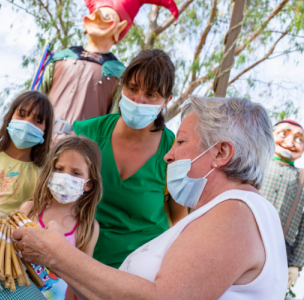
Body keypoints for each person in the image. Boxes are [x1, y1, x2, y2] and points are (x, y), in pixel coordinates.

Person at [14, 96, 288, 299]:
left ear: (220, 153)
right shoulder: (228, 213)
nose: (169, 155)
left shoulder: (235, 215)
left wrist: (60, 257)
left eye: (180, 142)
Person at [73, 49, 187, 269]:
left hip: (140, 271)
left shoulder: (173, 151)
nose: (138, 100)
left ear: (166, 101)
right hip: (79, 263)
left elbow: (178, 218)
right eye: (132, 88)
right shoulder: (87, 135)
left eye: (151, 94)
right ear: (122, 86)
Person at [40, 0, 177, 143]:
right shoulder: (60, 58)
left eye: (106, 15)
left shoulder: (120, 75)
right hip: (40, 145)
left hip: (80, 150)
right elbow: (38, 97)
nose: (98, 17)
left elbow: (112, 122)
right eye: (95, 14)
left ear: (120, 27)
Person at [20, 135, 102, 300]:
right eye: (59, 168)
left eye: (76, 172)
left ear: (88, 184)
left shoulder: (89, 228)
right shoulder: (30, 209)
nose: (65, 177)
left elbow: (83, 278)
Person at [259, 119, 304, 289]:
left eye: (299, 139)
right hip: (243, 236)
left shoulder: (301, 178)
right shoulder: (257, 164)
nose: (290, 142)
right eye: (283, 134)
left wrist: (295, 264)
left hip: (280, 250)